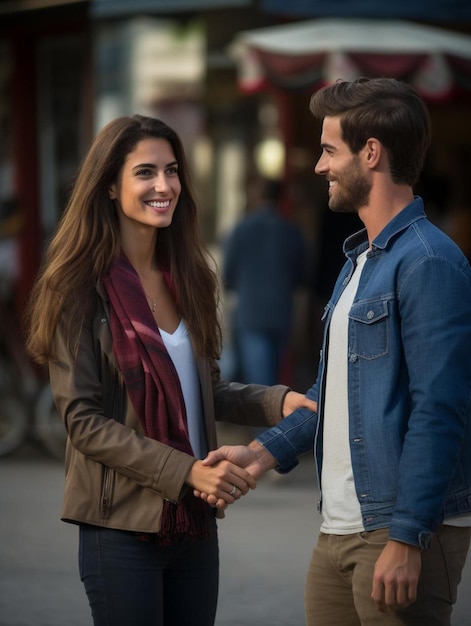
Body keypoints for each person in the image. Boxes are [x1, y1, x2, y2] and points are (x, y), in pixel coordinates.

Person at [25, 114, 317, 626]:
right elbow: (83, 421)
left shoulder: (189, 277)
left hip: (193, 524)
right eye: (145, 172)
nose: (164, 186)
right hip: (119, 527)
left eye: (172, 170)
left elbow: (204, 390)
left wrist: (277, 401)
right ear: (110, 187)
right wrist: (186, 471)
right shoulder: (74, 286)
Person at [199, 78, 471, 626]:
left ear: (371, 153)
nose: (319, 166)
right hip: (339, 528)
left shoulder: (429, 263)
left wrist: (407, 536)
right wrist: (262, 453)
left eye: (329, 150)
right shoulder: (359, 260)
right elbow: (340, 393)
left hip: (398, 529)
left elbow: (440, 412)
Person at [223, 177, 308, 386]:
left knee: (260, 387)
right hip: (281, 315)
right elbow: (303, 278)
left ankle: (266, 419)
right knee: (273, 381)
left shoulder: (241, 229)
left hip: (250, 315)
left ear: (257, 197)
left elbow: (228, 276)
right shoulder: (292, 231)